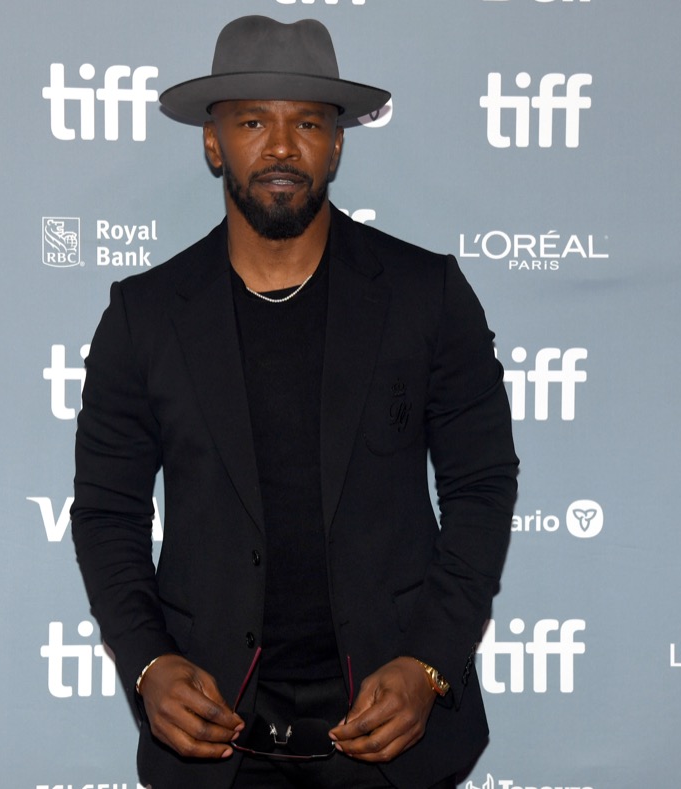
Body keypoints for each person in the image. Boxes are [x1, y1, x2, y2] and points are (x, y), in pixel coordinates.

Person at [71, 15, 518, 789]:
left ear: (337, 143)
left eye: (308, 123)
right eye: (253, 121)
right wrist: (148, 662)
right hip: (216, 744)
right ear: (214, 143)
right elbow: (108, 512)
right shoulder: (144, 316)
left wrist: (430, 664)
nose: (282, 147)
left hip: (391, 739)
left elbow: (481, 488)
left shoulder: (426, 297)